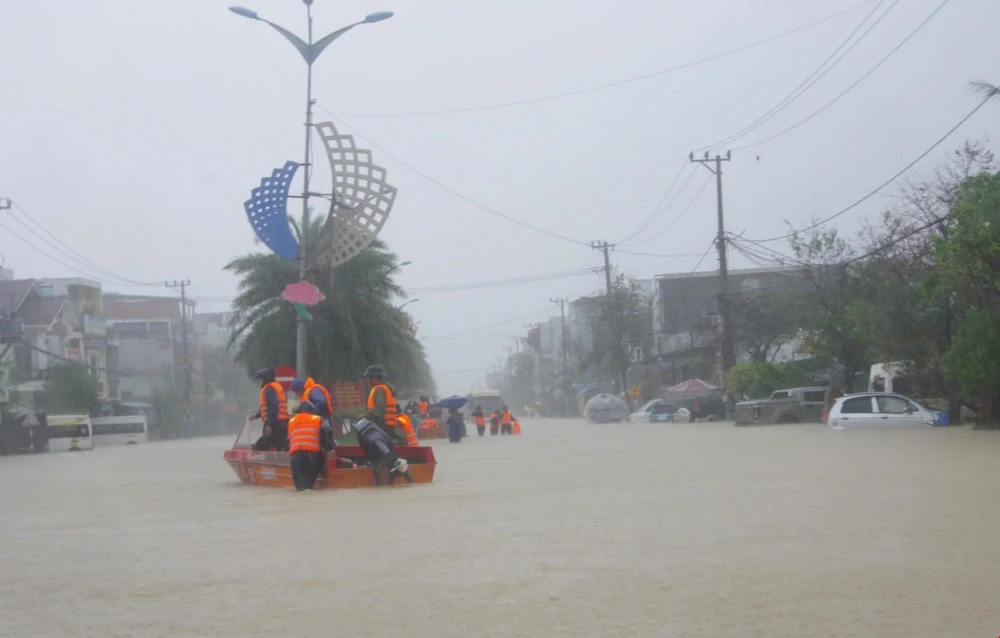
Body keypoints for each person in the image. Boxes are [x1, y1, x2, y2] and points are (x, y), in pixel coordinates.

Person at [291, 376, 336, 450]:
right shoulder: (306, 395)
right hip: (315, 424)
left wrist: (310, 413)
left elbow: (320, 403)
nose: (296, 394)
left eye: (296, 392)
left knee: (327, 443)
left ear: (300, 389)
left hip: (323, 420)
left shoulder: (314, 390)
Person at [287, 400, 324, 491]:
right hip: (311, 455)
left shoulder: (291, 421)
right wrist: (328, 449)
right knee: (309, 483)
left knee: (299, 486)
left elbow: (288, 439)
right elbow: (325, 435)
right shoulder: (317, 419)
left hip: (295, 456)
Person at [363, 365, 403, 445]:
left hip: (382, 426)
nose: (369, 381)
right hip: (388, 426)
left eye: (370, 378)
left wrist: (364, 416)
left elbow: (379, 411)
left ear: (377, 378)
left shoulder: (380, 389)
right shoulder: (385, 388)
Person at [250, 368, 288, 451]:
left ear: (266, 378)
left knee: (260, 447)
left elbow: (273, 407)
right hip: (281, 423)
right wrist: (256, 415)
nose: (261, 382)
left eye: (261, 379)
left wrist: (269, 425)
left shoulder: (269, 390)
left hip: (274, 424)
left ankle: (262, 464)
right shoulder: (276, 388)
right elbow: (267, 407)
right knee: (277, 448)